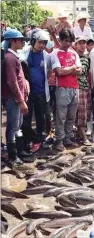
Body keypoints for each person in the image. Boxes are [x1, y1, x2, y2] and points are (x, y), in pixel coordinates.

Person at [19, 29, 52, 153]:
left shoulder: (46, 56)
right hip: (27, 92)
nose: (42, 45)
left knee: (40, 117)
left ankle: (39, 141)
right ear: (33, 41)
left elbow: (49, 70)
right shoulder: (24, 53)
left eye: (44, 43)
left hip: (41, 91)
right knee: (26, 118)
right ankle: (27, 140)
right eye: (40, 42)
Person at [50, 29, 82, 151]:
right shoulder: (55, 53)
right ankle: (59, 140)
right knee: (60, 117)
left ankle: (68, 138)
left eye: (70, 41)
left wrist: (68, 69)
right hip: (62, 88)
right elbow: (59, 72)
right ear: (61, 40)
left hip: (75, 88)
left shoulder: (74, 53)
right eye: (66, 41)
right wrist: (73, 67)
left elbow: (80, 71)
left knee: (71, 116)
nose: (68, 43)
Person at [2, 29, 31, 165]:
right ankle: (12, 156)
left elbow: (20, 78)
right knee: (13, 127)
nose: (22, 42)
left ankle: (19, 151)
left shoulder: (15, 56)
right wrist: (20, 100)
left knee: (18, 125)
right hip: (14, 99)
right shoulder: (9, 58)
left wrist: (25, 86)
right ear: (12, 41)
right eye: (20, 40)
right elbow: (12, 81)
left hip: (18, 98)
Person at [74, 36, 92, 146]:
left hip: (85, 87)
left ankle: (79, 134)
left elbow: (87, 74)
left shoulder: (86, 58)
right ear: (75, 45)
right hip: (77, 87)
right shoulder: (73, 57)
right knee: (81, 113)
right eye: (80, 43)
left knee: (86, 112)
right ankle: (84, 136)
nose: (82, 45)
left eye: (84, 43)